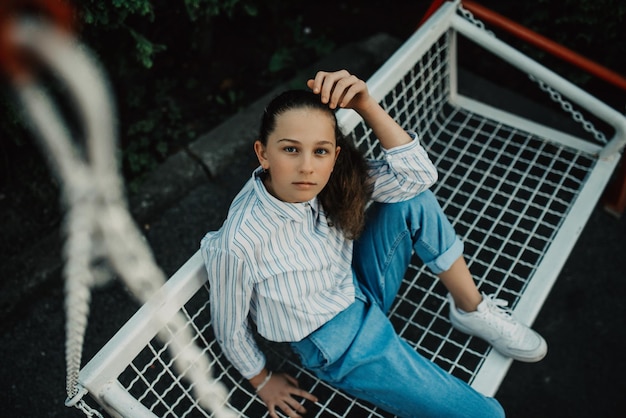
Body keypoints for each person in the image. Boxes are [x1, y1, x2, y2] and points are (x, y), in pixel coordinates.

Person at [201, 69, 547, 418]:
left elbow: (417, 179)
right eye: (291, 149)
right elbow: (229, 327)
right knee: (487, 416)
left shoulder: (331, 177)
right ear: (263, 153)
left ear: (334, 156)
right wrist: (261, 380)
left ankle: (470, 308)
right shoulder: (239, 242)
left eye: (320, 151)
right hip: (335, 340)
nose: (307, 167)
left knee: (412, 202)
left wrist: (366, 105)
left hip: (356, 285)